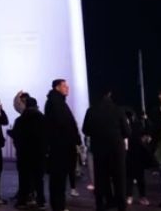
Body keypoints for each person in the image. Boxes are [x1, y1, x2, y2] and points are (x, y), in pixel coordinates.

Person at [82, 90, 131, 211]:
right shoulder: (118, 110)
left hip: (99, 149)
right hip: (116, 150)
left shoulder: (91, 111)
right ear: (109, 95)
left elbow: (85, 130)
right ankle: (121, 205)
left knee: (101, 179)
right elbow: (127, 132)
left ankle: (101, 204)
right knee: (119, 178)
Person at [44, 79, 81, 211]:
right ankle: (58, 206)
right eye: (64, 86)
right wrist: (74, 138)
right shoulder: (55, 103)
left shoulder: (57, 102)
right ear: (57, 87)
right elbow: (63, 124)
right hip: (60, 148)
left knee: (59, 180)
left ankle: (59, 205)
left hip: (61, 147)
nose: (67, 88)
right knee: (58, 179)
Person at [11, 97, 47, 210]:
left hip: (24, 154)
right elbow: (46, 136)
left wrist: (19, 149)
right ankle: (40, 201)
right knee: (39, 179)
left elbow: (16, 136)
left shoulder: (20, 120)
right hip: (38, 154)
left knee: (24, 178)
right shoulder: (42, 118)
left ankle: (22, 200)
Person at [125, 110, 151, 206]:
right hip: (129, 155)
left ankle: (141, 196)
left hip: (136, 154)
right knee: (130, 177)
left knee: (138, 177)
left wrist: (146, 119)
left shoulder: (136, 125)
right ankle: (130, 195)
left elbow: (147, 130)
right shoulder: (125, 126)